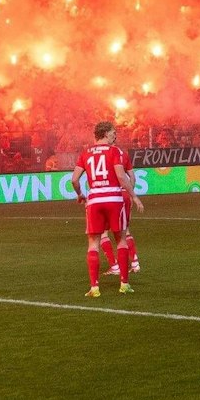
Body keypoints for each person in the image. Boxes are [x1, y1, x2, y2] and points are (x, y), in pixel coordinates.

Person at [71, 120, 142, 296]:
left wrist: (80, 194)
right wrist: (133, 196)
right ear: (105, 134)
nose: (114, 136)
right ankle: (124, 284)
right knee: (121, 239)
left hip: (94, 199)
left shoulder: (85, 153)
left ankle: (94, 287)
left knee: (93, 243)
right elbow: (121, 176)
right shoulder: (114, 151)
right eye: (112, 133)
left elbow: (74, 179)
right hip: (114, 198)